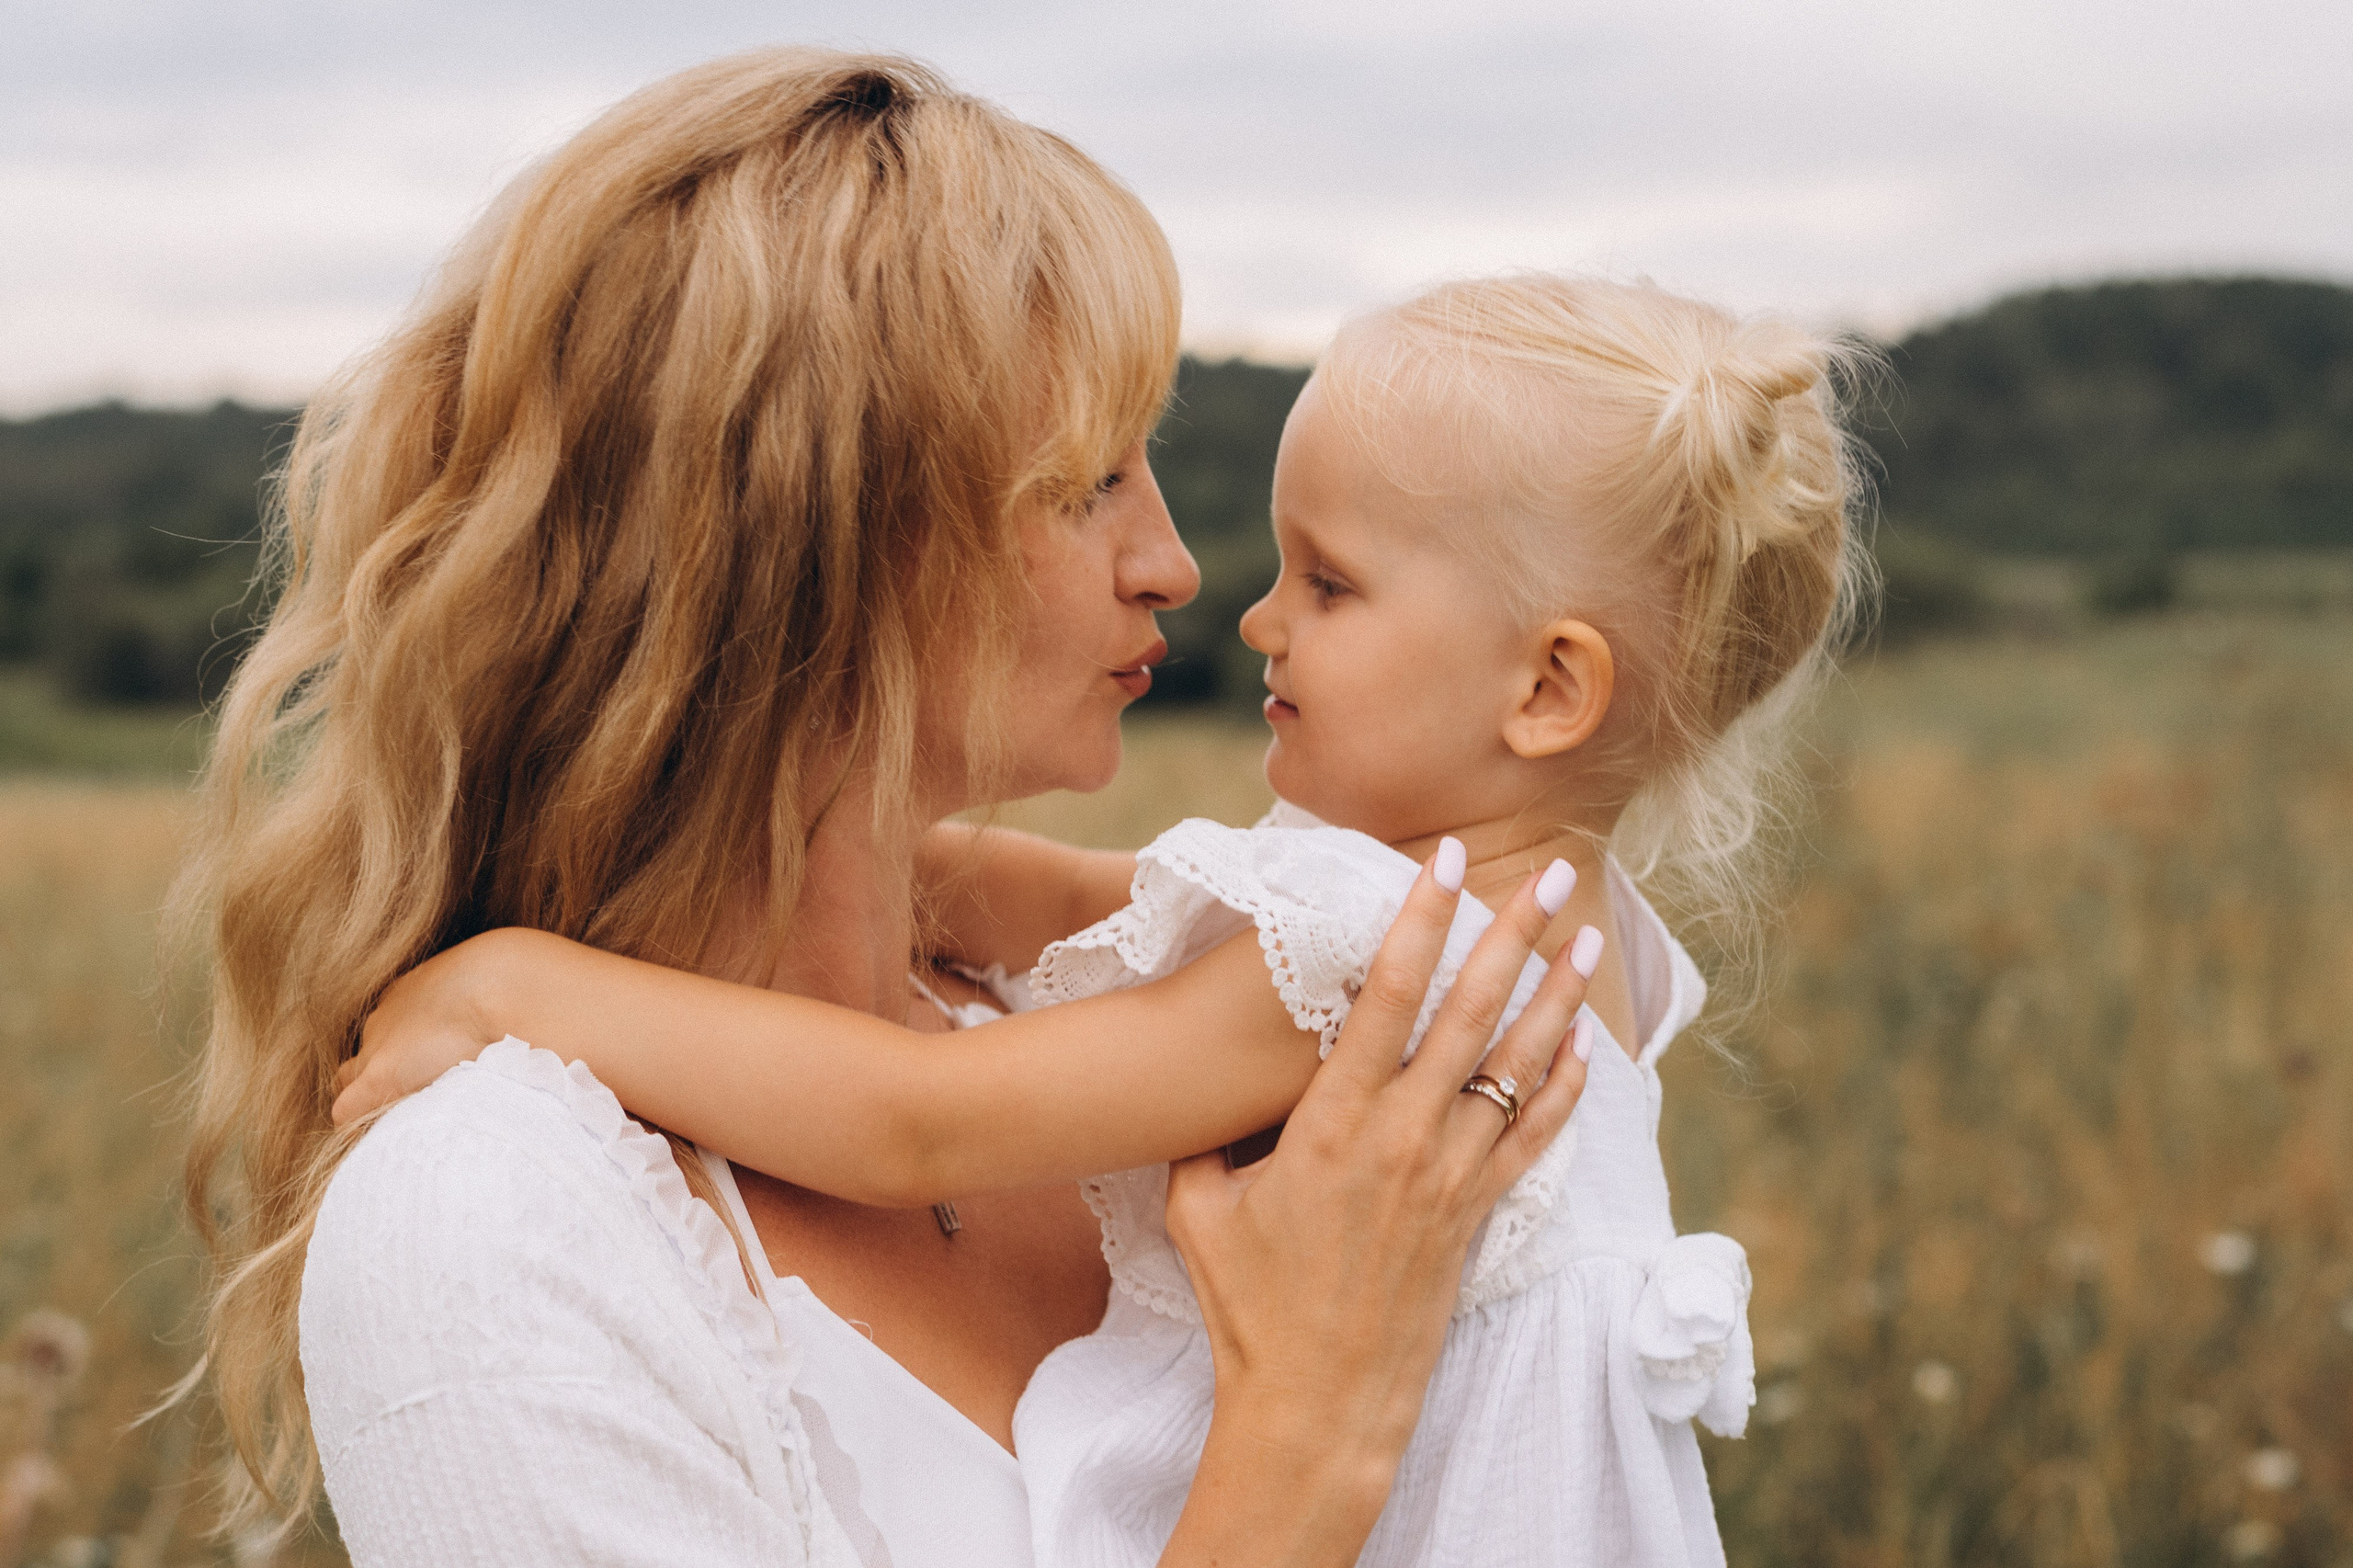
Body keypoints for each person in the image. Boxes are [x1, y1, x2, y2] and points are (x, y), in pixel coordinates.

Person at [172, 47, 1591, 1568]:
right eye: (1084, 482)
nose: (1175, 566)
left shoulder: (1079, 1013)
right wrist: (1310, 1426)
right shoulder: (494, 1216)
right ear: (810, 541)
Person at [337, 274, 1871, 1565]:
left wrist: (515, 985)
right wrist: (833, 827)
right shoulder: (1569, 941)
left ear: (1547, 687)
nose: (1247, 609)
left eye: (1330, 587)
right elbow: (1091, 900)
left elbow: (917, 1123)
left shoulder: (1381, 954)